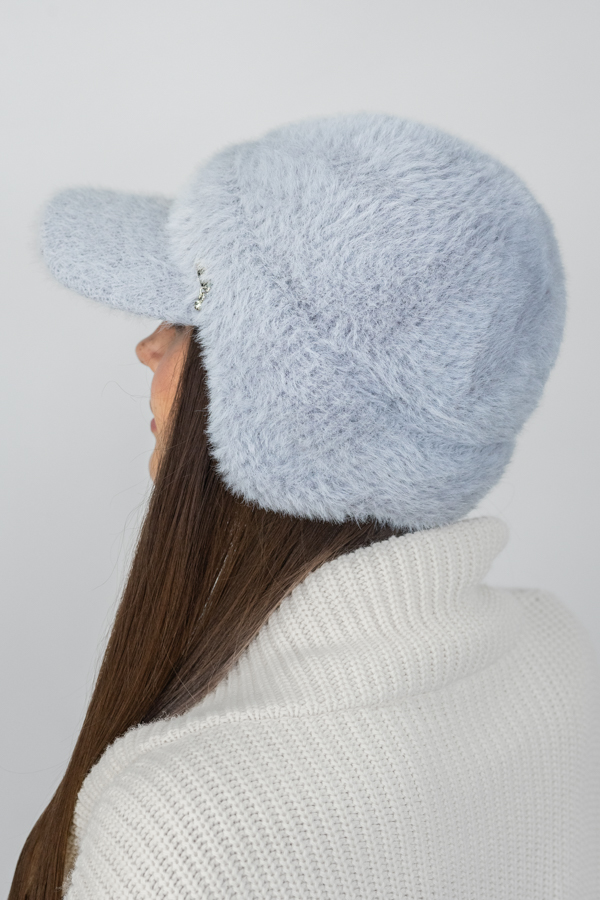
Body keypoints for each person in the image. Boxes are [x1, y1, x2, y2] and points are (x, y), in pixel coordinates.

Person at [10, 113, 599, 900]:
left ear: (286, 411)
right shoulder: (557, 656)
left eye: (187, 316)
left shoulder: (181, 827)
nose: (148, 347)